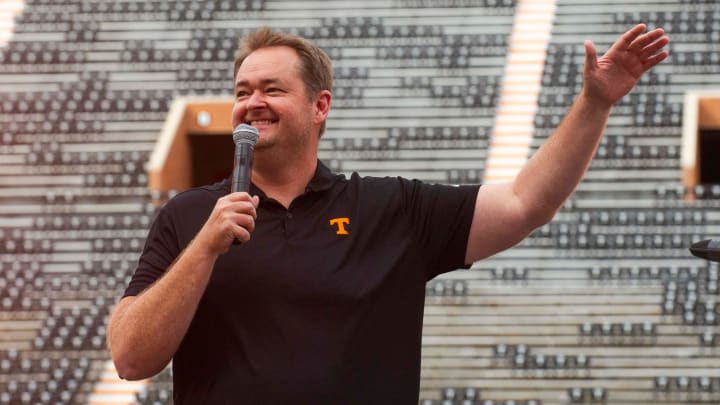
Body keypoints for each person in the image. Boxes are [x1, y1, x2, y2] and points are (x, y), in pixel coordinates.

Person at [107, 24, 669, 404]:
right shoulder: (189, 217)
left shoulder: (388, 208)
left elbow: (525, 203)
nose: (252, 102)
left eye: (272, 89)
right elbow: (131, 359)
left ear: (319, 106)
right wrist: (204, 248)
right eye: (242, 91)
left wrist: (595, 104)